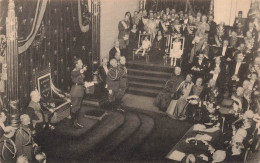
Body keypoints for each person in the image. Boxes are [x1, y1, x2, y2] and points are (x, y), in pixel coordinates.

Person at [70, 58, 87, 128]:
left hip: (80, 90)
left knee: (78, 107)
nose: (82, 64)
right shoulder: (74, 71)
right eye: (80, 63)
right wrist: (81, 70)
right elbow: (74, 74)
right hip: (75, 91)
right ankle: (73, 123)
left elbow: (81, 79)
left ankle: (75, 122)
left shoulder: (79, 71)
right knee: (74, 107)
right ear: (76, 64)